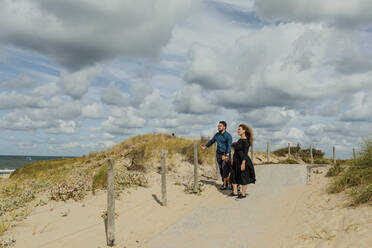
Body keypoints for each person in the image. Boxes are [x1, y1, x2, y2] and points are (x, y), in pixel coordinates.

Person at [201, 121, 232, 190]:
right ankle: (225, 184)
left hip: (226, 154)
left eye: (220, 126)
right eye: (218, 126)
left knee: (226, 169)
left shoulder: (228, 136)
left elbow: (229, 145)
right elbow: (212, 141)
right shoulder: (217, 135)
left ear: (224, 127)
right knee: (221, 169)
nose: (218, 127)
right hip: (219, 154)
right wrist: (205, 146)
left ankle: (229, 183)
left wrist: (227, 154)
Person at [229, 124, 256, 199]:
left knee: (243, 175)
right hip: (236, 160)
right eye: (238, 129)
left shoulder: (246, 141)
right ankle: (235, 192)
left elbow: (245, 153)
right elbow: (236, 151)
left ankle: (243, 194)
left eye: (239, 129)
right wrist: (232, 159)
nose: (238, 131)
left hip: (242, 160)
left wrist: (243, 163)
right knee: (233, 175)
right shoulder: (240, 140)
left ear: (244, 130)